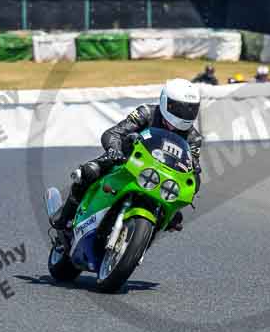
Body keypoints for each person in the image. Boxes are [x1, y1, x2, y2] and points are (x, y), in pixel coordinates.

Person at [52, 79, 202, 234]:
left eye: (191, 109)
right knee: (89, 171)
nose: (185, 114)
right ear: (166, 103)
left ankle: (137, 246)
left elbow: (192, 170)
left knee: (174, 218)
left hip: (161, 179)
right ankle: (66, 214)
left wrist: (193, 178)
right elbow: (113, 133)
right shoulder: (146, 113)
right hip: (127, 159)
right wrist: (114, 149)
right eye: (180, 108)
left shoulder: (194, 138)